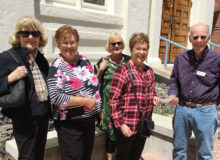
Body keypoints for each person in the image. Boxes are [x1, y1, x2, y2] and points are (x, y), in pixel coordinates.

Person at [47, 25, 101, 160]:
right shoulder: (56, 67)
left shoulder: (84, 60)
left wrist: (99, 109)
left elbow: (93, 86)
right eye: (65, 42)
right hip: (70, 125)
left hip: (89, 121)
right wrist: (85, 101)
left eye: (72, 42)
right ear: (59, 45)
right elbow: (55, 97)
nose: (69, 46)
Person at [0, 16, 50, 160]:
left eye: (35, 34)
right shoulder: (8, 57)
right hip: (25, 118)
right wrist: (10, 78)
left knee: (39, 155)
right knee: (27, 156)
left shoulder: (41, 59)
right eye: (25, 33)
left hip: (43, 117)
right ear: (18, 36)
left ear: (40, 37)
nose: (30, 37)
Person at [168, 23, 219, 160]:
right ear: (190, 39)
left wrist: (213, 102)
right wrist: (173, 94)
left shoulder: (217, 59)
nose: (199, 40)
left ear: (208, 38)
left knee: (205, 154)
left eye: (203, 37)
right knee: (178, 150)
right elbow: (174, 80)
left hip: (206, 111)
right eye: (195, 37)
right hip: (182, 110)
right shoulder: (181, 58)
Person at [109, 32, 161, 160]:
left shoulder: (149, 72)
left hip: (143, 126)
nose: (141, 52)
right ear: (131, 50)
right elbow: (113, 100)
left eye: (144, 49)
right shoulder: (123, 70)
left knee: (135, 156)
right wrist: (121, 125)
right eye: (138, 48)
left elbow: (150, 91)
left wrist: (154, 97)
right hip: (127, 126)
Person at [94, 33, 130, 160]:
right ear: (109, 46)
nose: (116, 46)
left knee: (125, 132)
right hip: (108, 106)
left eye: (119, 43)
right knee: (111, 134)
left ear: (123, 45)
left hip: (126, 105)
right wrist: (100, 70)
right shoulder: (103, 62)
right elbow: (95, 86)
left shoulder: (129, 61)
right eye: (113, 43)